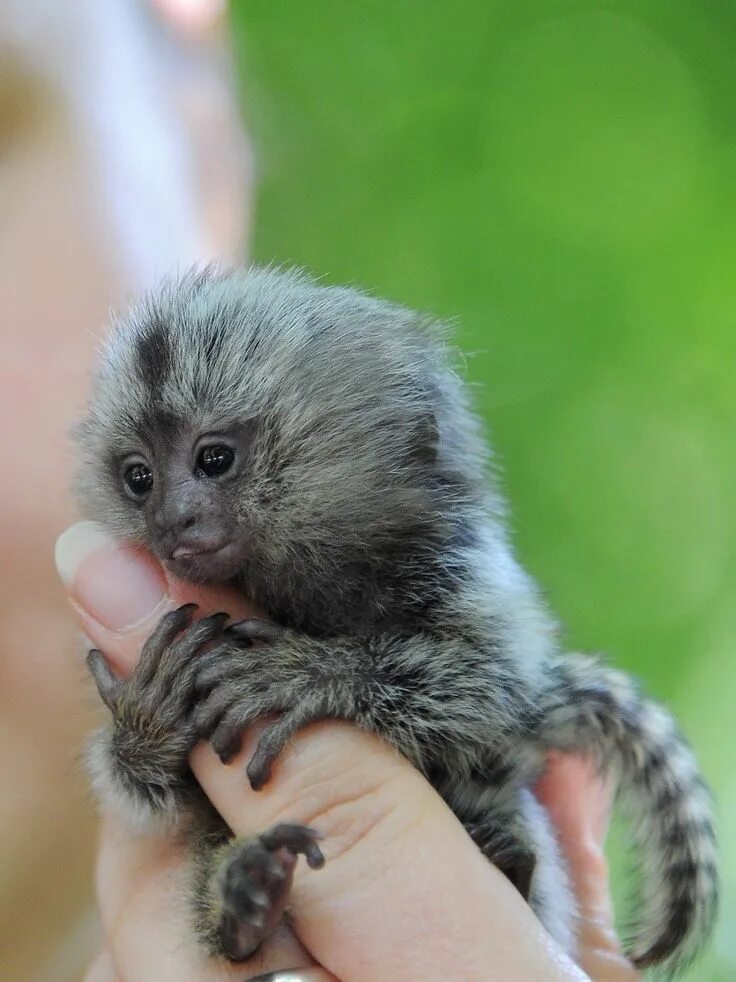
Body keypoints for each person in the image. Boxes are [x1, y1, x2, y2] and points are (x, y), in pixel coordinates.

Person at [57, 522, 641, 981]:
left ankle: (494, 886)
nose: (178, 511)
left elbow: (484, 701)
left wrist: (334, 676)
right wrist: (143, 743)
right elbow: (150, 805)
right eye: (140, 479)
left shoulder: (432, 557)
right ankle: (243, 897)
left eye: (218, 461)